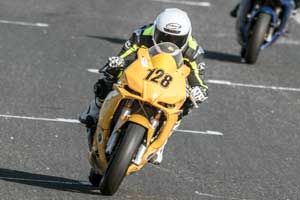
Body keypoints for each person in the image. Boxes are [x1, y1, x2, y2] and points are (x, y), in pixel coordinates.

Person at [79, 8, 208, 164]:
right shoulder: (142, 34)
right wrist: (117, 63)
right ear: (155, 31)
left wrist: (199, 90)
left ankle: (161, 143)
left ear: (186, 38)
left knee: (186, 103)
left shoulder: (193, 50)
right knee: (109, 78)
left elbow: (199, 80)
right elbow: (125, 55)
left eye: (176, 40)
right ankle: (94, 110)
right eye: (164, 37)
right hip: (142, 70)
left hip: (169, 80)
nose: (170, 43)